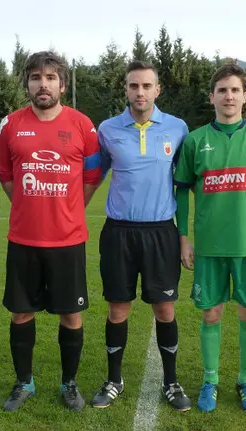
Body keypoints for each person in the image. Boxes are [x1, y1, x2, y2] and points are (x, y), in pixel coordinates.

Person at [173, 63, 246, 414]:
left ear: (245, 96)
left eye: (235, 90)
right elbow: (180, 192)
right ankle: (211, 381)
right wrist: (184, 238)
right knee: (211, 316)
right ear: (212, 97)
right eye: (222, 90)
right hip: (209, 246)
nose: (229, 96)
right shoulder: (194, 141)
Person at [0, 51, 101, 413]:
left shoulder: (83, 125)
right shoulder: (11, 125)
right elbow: (6, 175)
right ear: (27, 83)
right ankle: (24, 382)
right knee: (21, 313)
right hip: (24, 240)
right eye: (37, 77)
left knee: (70, 315)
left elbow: (91, 177)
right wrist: (28, 204)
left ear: (63, 84)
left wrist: (69, 208)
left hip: (67, 241)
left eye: (51, 78)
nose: (44, 84)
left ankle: (69, 383)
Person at [90, 60, 191, 411]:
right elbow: (93, 177)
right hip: (119, 232)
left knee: (165, 308)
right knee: (118, 308)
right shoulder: (107, 129)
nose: (140, 92)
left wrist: (186, 233)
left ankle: (171, 381)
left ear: (157, 90)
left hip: (161, 232)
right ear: (126, 89)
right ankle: (114, 379)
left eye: (147, 86)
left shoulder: (177, 128)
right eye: (134, 86)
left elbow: (185, 182)